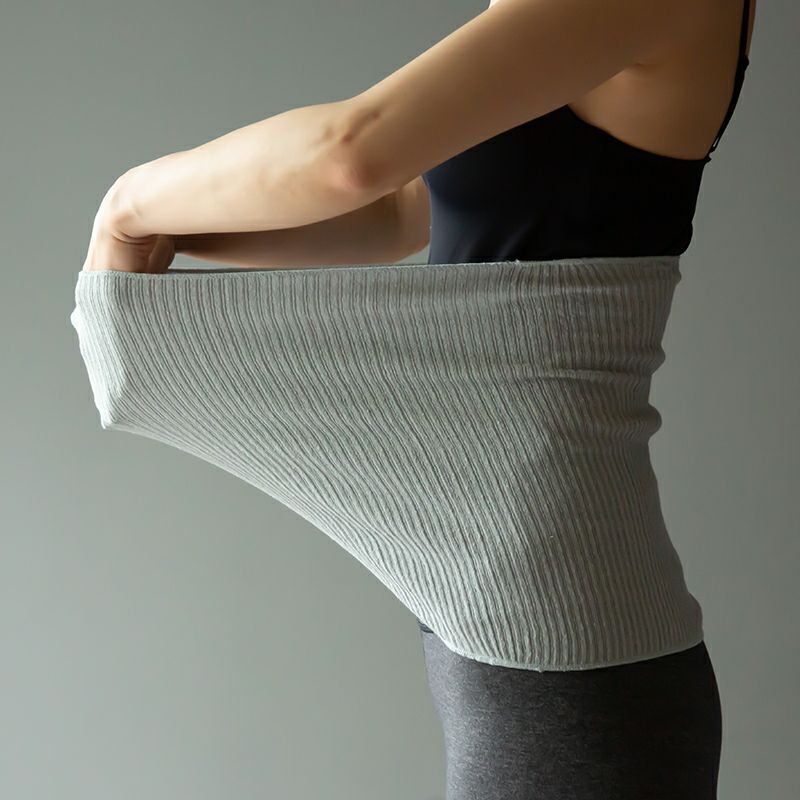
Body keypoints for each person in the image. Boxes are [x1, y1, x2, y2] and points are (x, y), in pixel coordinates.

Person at [76, 1, 755, 797]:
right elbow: (397, 212)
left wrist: (129, 204)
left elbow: (350, 152)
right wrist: (165, 233)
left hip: (566, 628)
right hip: (527, 600)